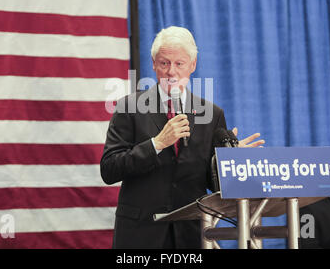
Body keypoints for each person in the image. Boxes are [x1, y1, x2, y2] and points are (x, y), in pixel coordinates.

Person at [100, 26, 264, 249]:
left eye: (179, 63)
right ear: (154, 63)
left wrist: (232, 163)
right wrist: (157, 144)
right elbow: (109, 170)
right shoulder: (129, 108)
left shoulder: (212, 114)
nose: (171, 72)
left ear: (193, 65)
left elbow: (212, 182)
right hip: (141, 234)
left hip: (192, 234)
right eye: (164, 63)